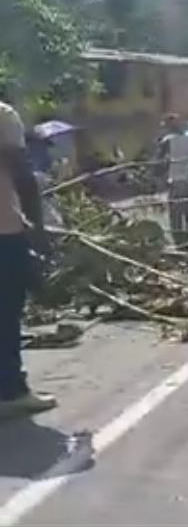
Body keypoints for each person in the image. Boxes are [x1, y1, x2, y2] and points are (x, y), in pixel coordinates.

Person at [0, 99, 57, 418]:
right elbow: (22, 175)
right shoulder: (2, 116)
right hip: (2, 233)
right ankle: (10, 392)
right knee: (6, 313)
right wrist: (37, 226)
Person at [158, 114, 188, 247]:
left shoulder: (168, 140)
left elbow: (159, 161)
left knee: (176, 215)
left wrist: (158, 177)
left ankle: (179, 244)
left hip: (176, 181)